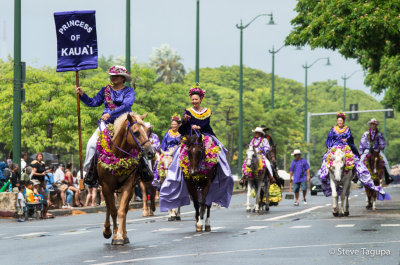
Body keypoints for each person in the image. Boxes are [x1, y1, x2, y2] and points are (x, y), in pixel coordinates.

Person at [159, 84, 234, 211]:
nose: (194, 101)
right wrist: (186, 121)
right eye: (192, 99)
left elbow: (206, 124)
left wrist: (199, 127)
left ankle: (224, 174)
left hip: (205, 135)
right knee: (178, 153)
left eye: (196, 99)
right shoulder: (188, 111)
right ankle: (175, 178)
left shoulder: (207, 111)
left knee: (218, 151)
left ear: (201, 99)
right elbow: (182, 129)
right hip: (191, 137)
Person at [75, 65, 135, 184]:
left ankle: (145, 171)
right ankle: (89, 172)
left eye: (117, 76)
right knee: (92, 144)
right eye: (112, 76)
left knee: (141, 141)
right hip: (106, 123)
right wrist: (82, 94)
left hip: (123, 122)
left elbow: (127, 106)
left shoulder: (129, 91)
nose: (114, 78)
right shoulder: (105, 90)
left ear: (123, 78)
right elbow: (93, 102)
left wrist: (111, 113)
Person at [319, 112, 388, 198]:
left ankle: (361, 175)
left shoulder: (347, 129)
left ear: (343, 121)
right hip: (335, 147)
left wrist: (346, 140)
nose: (340, 122)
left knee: (357, 161)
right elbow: (329, 139)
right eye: (338, 121)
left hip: (347, 147)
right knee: (326, 157)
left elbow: (350, 138)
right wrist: (329, 147)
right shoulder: (333, 129)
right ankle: (324, 174)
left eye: (341, 121)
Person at [359, 118, 393, 184]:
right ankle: (358, 179)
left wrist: (381, 146)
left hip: (377, 150)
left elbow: (383, 142)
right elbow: (362, 143)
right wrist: (360, 152)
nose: (373, 125)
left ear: (376, 125)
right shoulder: (366, 134)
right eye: (372, 124)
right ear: (370, 125)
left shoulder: (379, 134)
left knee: (385, 161)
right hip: (367, 150)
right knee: (360, 161)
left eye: (374, 124)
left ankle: (388, 177)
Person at [153, 114, 182, 190]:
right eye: (172, 124)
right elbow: (163, 144)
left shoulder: (181, 134)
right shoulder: (168, 133)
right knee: (158, 161)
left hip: (178, 152)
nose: (173, 126)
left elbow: (182, 143)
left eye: (175, 124)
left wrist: (177, 148)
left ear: (178, 125)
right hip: (167, 152)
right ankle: (158, 179)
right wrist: (165, 152)